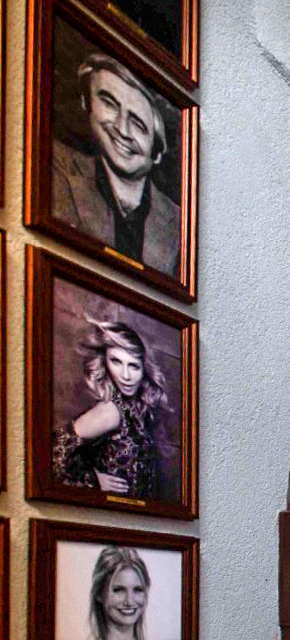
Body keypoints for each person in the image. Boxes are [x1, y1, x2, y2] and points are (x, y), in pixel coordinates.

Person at [52, 52, 179, 276]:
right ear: (87, 103)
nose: (122, 129)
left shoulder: (180, 225)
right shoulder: (55, 168)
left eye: (138, 124)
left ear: (157, 152)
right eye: (109, 103)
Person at [52, 320, 169, 499]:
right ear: (105, 363)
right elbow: (50, 452)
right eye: (116, 362)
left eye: (133, 366)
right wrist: (92, 481)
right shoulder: (111, 411)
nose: (126, 376)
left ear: (144, 369)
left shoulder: (136, 411)